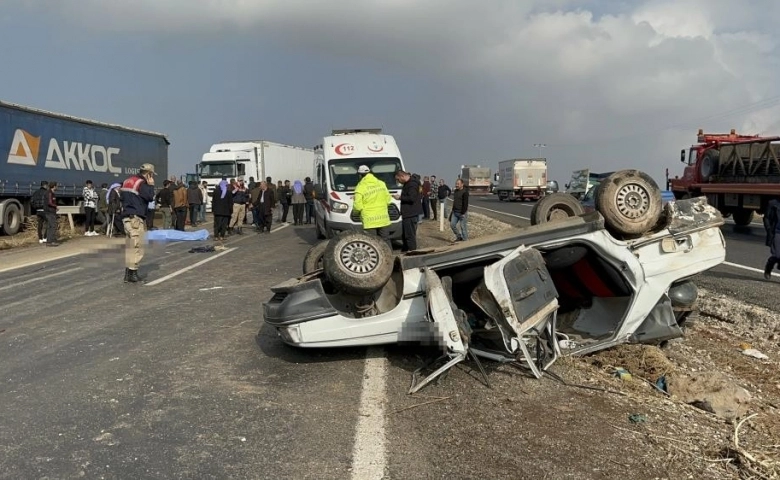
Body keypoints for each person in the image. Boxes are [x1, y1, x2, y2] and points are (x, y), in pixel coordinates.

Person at [120, 163, 156, 283]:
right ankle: (133, 273)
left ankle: (128, 274)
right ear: (148, 174)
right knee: (138, 246)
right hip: (136, 218)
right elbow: (150, 197)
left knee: (130, 246)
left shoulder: (127, 181)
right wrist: (151, 185)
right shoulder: (142, 183)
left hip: (126, 217)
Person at [354, 165, 393, 248]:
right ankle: (390, 258)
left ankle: (378, 260)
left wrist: (356, 212)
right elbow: (388, 200)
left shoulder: (360, 187)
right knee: (385, 240)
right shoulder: (381, 183)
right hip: (383, 218)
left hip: (369, 221)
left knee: (372, 242)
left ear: (360, 175)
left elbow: (358, 206)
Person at [394, 170, 421, 252]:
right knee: (406, 235)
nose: (398, 182)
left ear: (402, 176)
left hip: (410, 213)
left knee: (410, 235)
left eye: (398, 179)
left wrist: (399, 198)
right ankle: (406, 250)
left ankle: (412, 252)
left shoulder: (412, 184)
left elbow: (412, 198)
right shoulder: (408, 183)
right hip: (407, 213)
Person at [763, 198, 780, 280]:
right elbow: (766, 218)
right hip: (777, 232)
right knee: (777, 255)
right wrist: (769, 230)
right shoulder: (773, 204)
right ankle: (768, 267)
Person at [44, 182, 60, 246]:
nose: (57, 187)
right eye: (56, 186)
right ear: (54, 186)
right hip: (50, 212)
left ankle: (49, 241)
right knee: (53, 226)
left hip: (51, 212)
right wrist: (56, 206)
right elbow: (50, 202)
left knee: (50, 226)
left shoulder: (51, 193)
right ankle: (51, 241)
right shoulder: (49, 193)